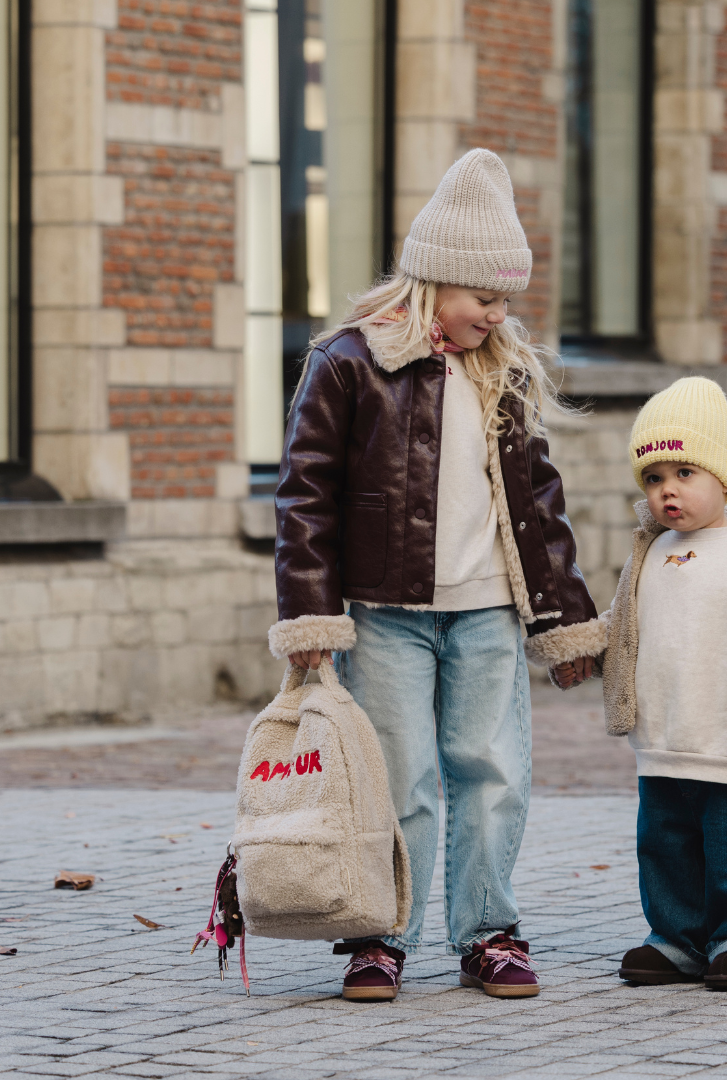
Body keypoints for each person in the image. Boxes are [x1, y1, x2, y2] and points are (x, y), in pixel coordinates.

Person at [268, 149, 603, 1001]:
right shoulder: (349, 362)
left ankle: (488, 932)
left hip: (489, 610)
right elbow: (305, 495)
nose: (497, 314)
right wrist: (312, 620)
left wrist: (561, 619)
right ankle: (379, 936)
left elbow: (539, 503)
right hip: (387, 613)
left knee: (492, 769)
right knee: (402, 776)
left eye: (505, 300)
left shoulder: (508, 372)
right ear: (433, 282)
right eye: (484, 297)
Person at [558, 376, 727, 991]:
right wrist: (577, 649)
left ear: (722, 475)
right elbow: (620, 627)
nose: (668, 492)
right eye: (654, 479)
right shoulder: (649, 554)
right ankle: (678, 937)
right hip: (665, 736)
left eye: (684, 473)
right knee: (668, 846)